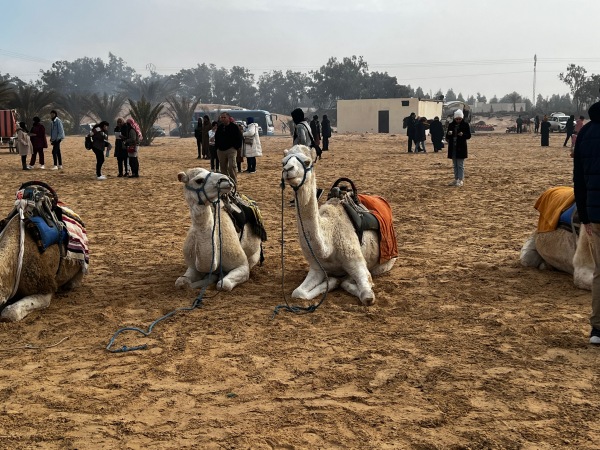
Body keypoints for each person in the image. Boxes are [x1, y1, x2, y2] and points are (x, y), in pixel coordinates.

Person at [573, 101, 600, 344]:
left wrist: (584, 215)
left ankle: (598, 330)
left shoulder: (586, 132)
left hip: (595, 213)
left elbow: (578, 179)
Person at [215, 112, 242, 184]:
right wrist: (217, 147)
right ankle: (226, 182)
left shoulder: (234, 127)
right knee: (223, 167)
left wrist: (236, 147)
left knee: (231, 166)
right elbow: (216, 137)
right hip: (221, 150)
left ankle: (234, 181)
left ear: (228, 118)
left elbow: (239, 137)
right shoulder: (220, 127)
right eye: (222, 117)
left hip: (231, 149)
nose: (223, 119)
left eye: (224, 117)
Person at [446, 109, 471, 187]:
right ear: (454, 118)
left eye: (459, 119)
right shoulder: (451, 125)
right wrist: (449, 134)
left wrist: (463, 134)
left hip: (461, 147)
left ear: (462, 118)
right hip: (453, 147)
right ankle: (456, 179)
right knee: (455, 165)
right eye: (457, 119)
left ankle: (460, 179)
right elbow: (447, 137)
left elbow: (469, 135)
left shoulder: (465, 125)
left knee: (460, 164)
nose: (458, 120)